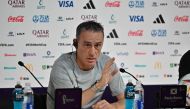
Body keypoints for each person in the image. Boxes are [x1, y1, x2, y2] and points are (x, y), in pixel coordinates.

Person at [46, 20, 125, 109]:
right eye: (87, 45)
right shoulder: (62, 66)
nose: (92, 52)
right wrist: (99, 84)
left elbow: (128, 101)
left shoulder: (107, 64)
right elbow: (69, 106)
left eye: (97, 45)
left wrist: (113, 107)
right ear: (76, 43)